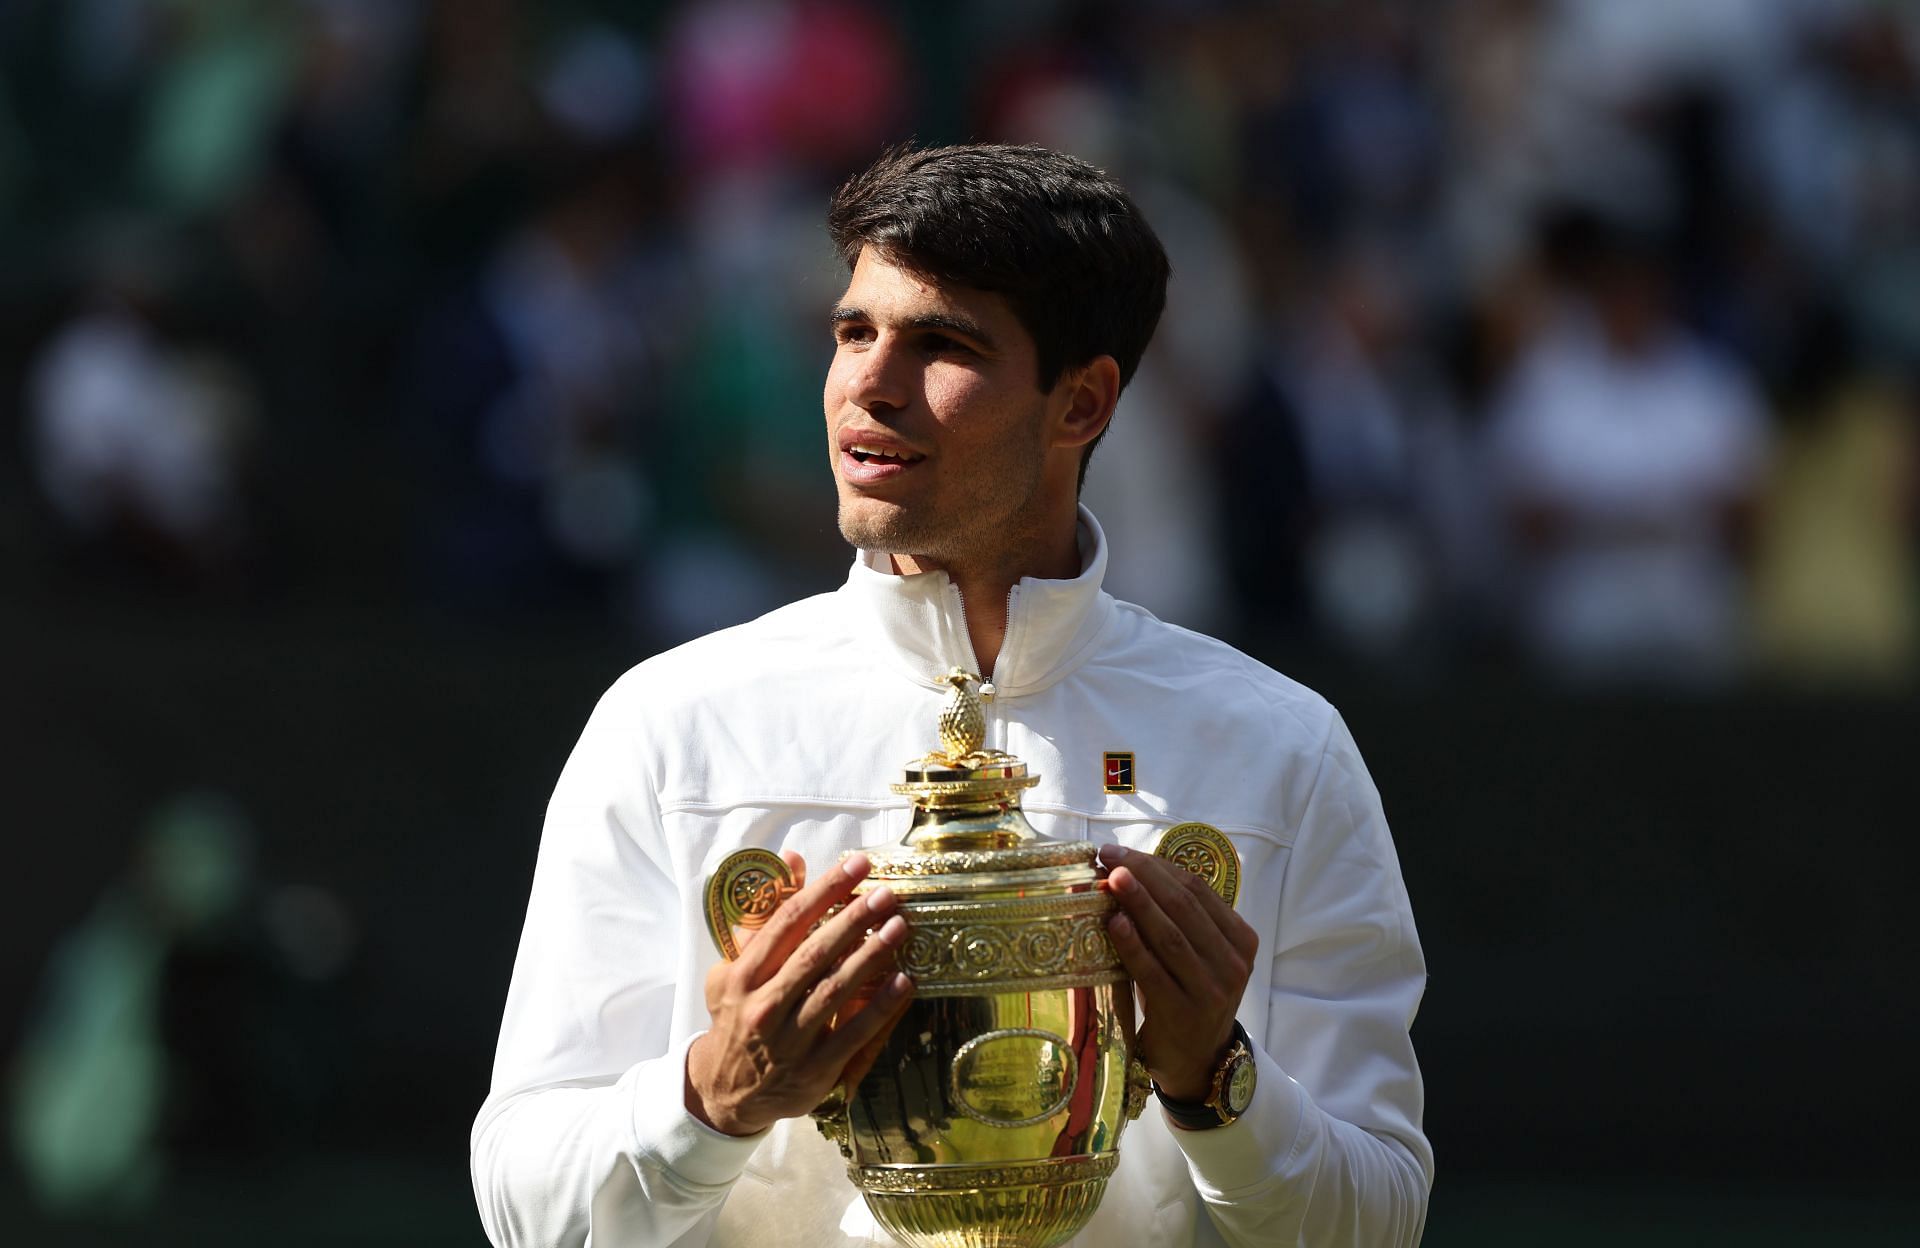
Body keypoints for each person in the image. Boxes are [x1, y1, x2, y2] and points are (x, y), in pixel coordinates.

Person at [472, 143, 1430, 1247]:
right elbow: (522, 1205)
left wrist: (1216, 1081)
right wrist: (716, 1094)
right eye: (853, 331)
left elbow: (1379, 1221)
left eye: (942, 345)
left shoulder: (1284, 750)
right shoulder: (670, 726)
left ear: (1082, 403)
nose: (869, 385)